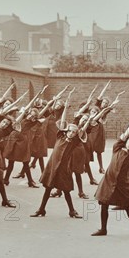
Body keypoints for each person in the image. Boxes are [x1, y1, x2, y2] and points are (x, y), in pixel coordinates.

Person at [30, 88, 85, 219]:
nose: (71, 133)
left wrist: (82, 122)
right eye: (70, 131)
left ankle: (72, 210)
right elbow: (63, 120)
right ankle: (41, 209)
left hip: (63, 169)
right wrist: (66, 105)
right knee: (48, 189)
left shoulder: (74, 142)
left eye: (73, 132)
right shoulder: (60, 136)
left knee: (66, 191)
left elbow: (82, 128)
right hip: (52, 166)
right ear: (66, 131)